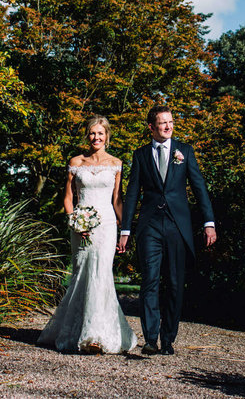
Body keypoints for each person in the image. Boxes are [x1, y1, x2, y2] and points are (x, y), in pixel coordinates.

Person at [117, 105, 216, 355]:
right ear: (151, 127)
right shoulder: (140, 155)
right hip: (150, 225)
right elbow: (131, 194)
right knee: (149, 281)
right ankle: (150, 339)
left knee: (174, 283)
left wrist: (208, 223)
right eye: (163, 123)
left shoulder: (185, 151)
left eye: (171, 122)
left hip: (176, 226)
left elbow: (199, 187)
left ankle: (168, 338)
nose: (169, 126)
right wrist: (126, 229)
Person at [38, 115, 137, 354]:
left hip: (106, 226)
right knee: (82, 273)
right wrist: (75, 222)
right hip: (81, 226)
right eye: (92, 133)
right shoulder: (76, 161)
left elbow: (117, 199)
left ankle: (97, 335)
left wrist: (125, 230)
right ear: (87, 135)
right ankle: (76, 330)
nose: (96, 137)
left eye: (100, 133)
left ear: (107, 136)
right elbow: (68, 197)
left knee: (102, 274)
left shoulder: (116, 163)